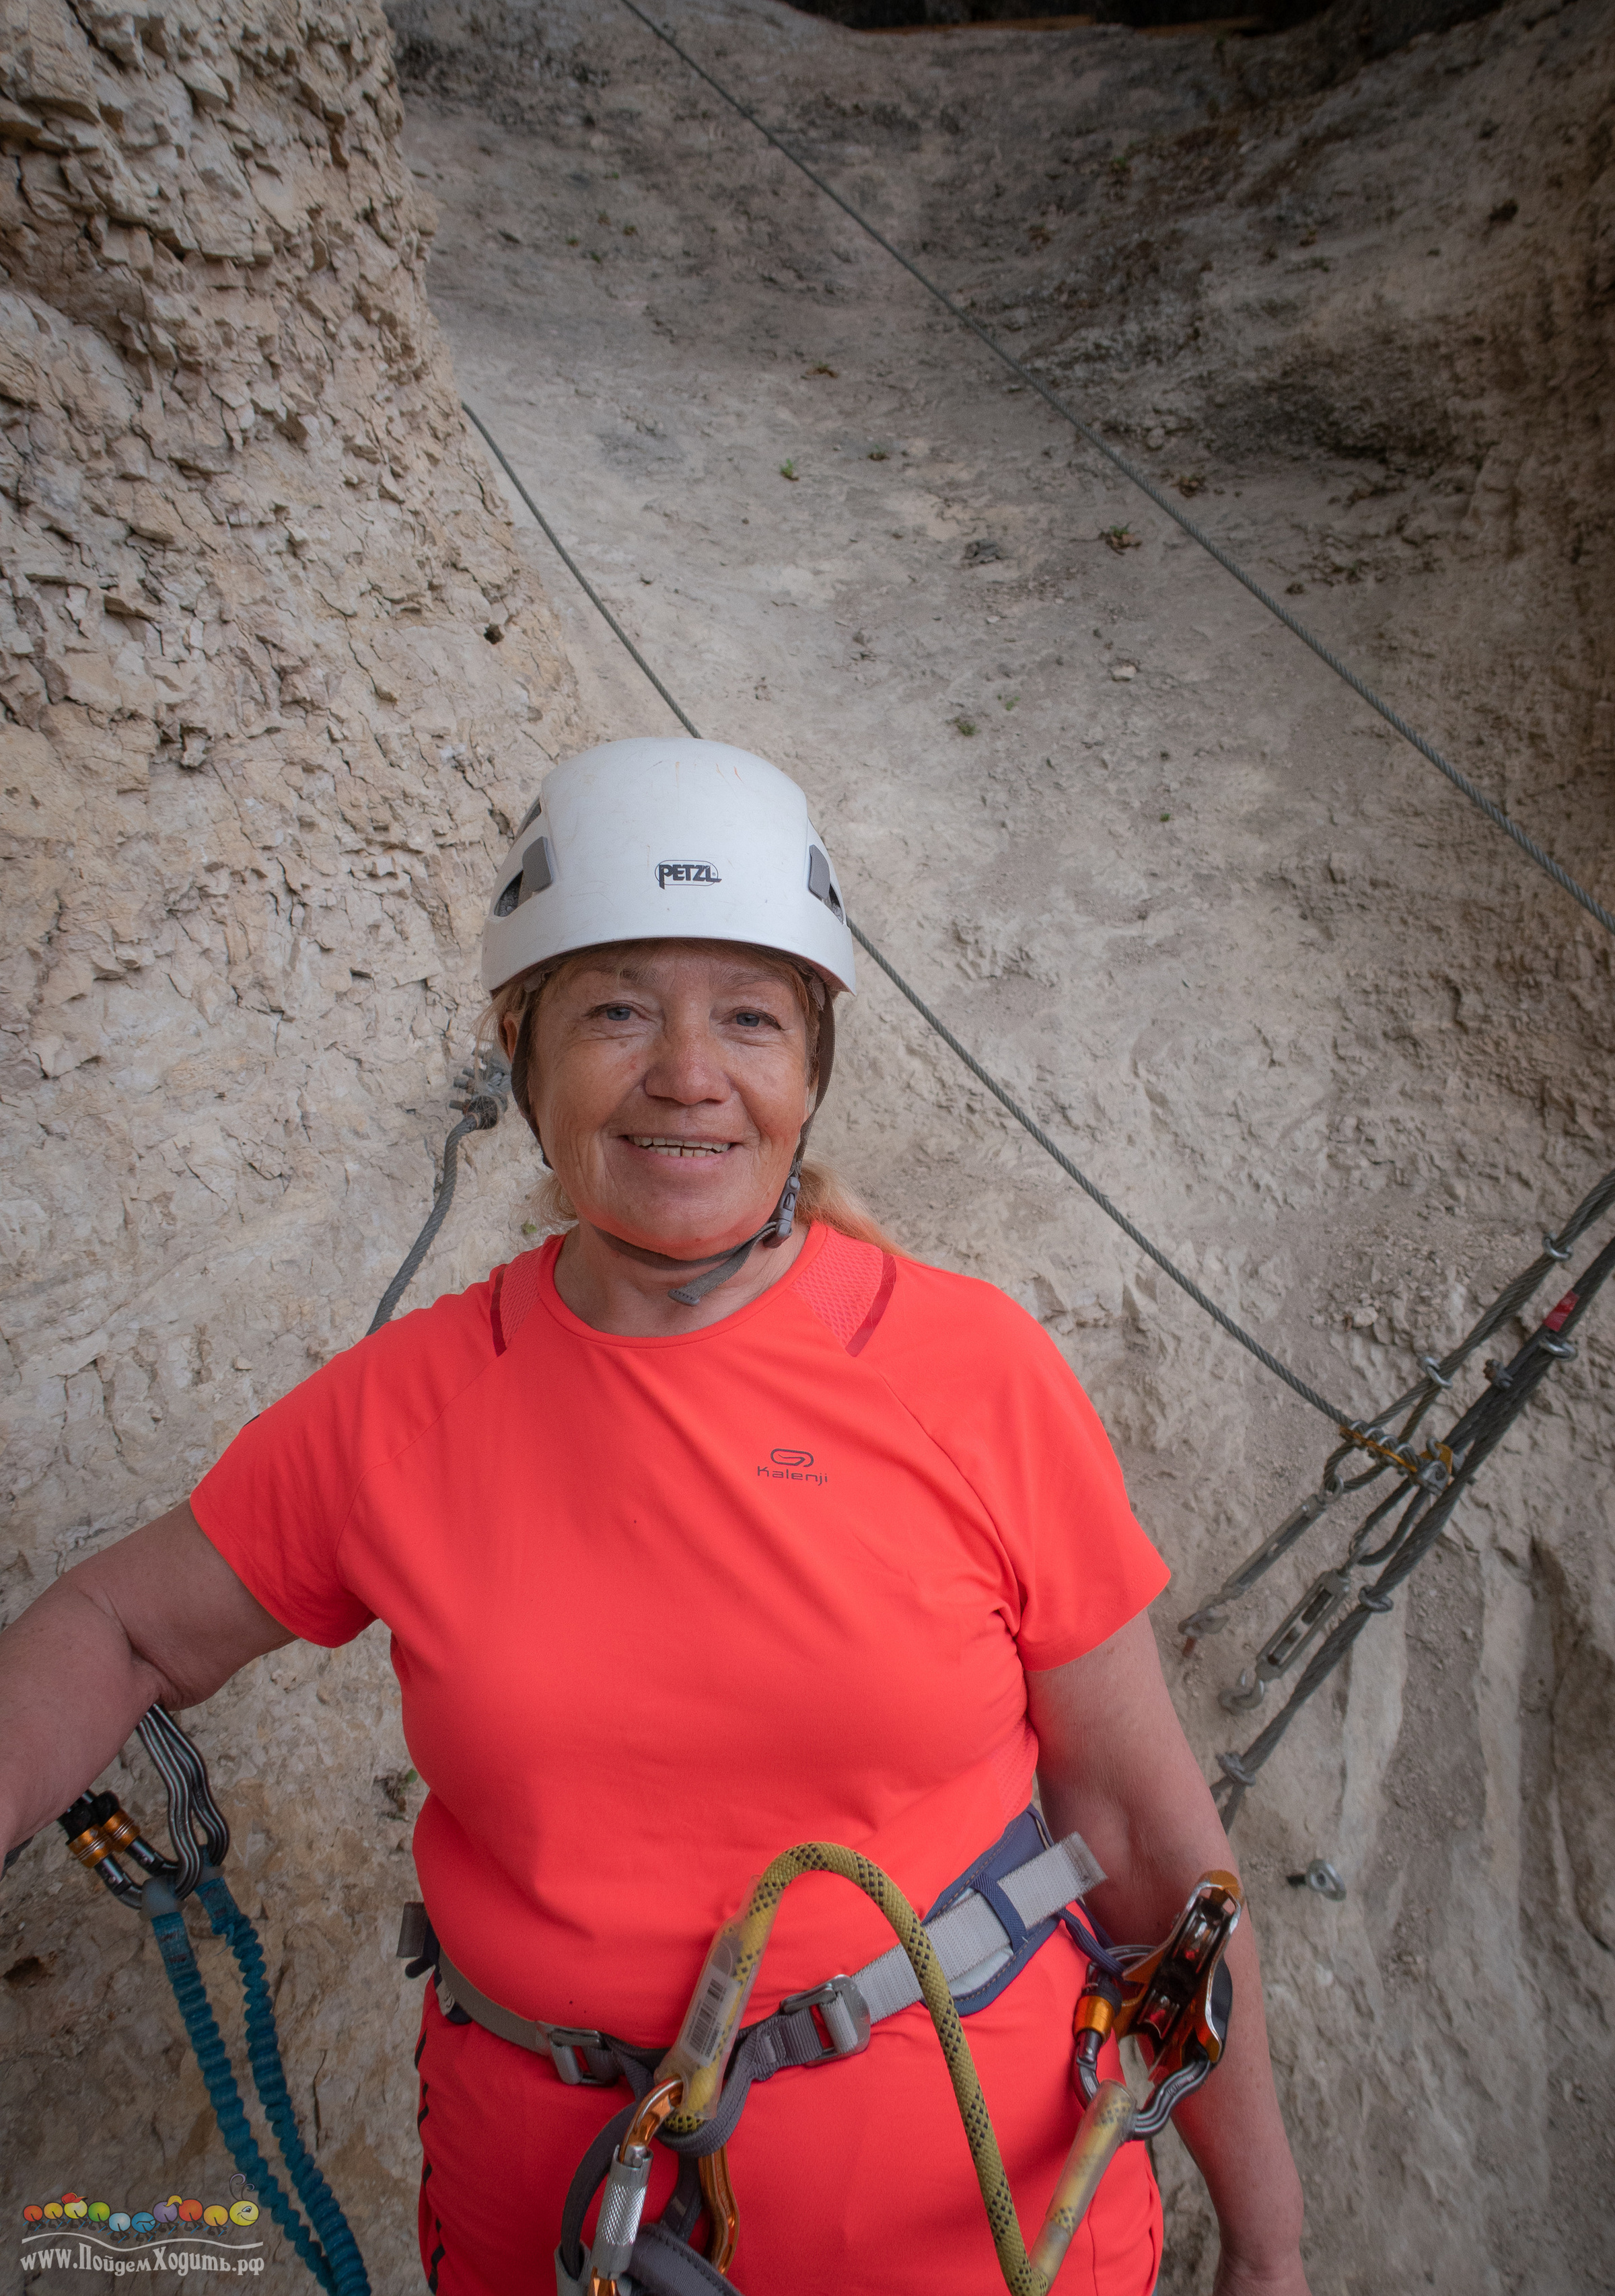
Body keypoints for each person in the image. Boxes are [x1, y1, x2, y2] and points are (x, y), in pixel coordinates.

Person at [0, 738, 1310, 2296]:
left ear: (808, 1072)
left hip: (974, 2221)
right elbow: (121, 1626)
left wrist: (1269, 2248)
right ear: (520, 1048)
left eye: (747, 1017)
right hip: (548, 2221)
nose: (688, 1073)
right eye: (617, 1007)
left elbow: (1148, 1838)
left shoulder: (966, 1375)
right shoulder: (403, 1410)